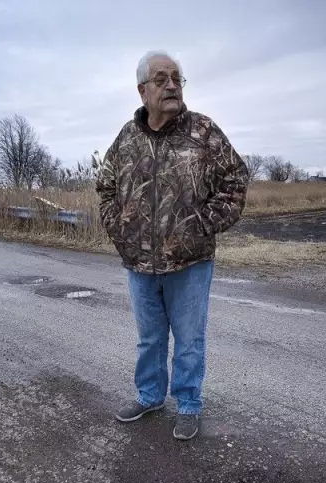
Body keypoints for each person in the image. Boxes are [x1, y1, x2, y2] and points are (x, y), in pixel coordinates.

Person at [95, 50, 249, 441]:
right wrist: (121, 229)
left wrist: (201, 226)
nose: (171, 85)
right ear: (142, 90)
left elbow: (235, 180)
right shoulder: (127, 139)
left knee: (189, 339)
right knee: (149, 338)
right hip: (139, 262)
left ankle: (188, 405)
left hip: (190, 261)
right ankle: (149, 396)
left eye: (177, 78)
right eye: (161, 79)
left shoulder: (203, 132)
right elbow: (106, 186)